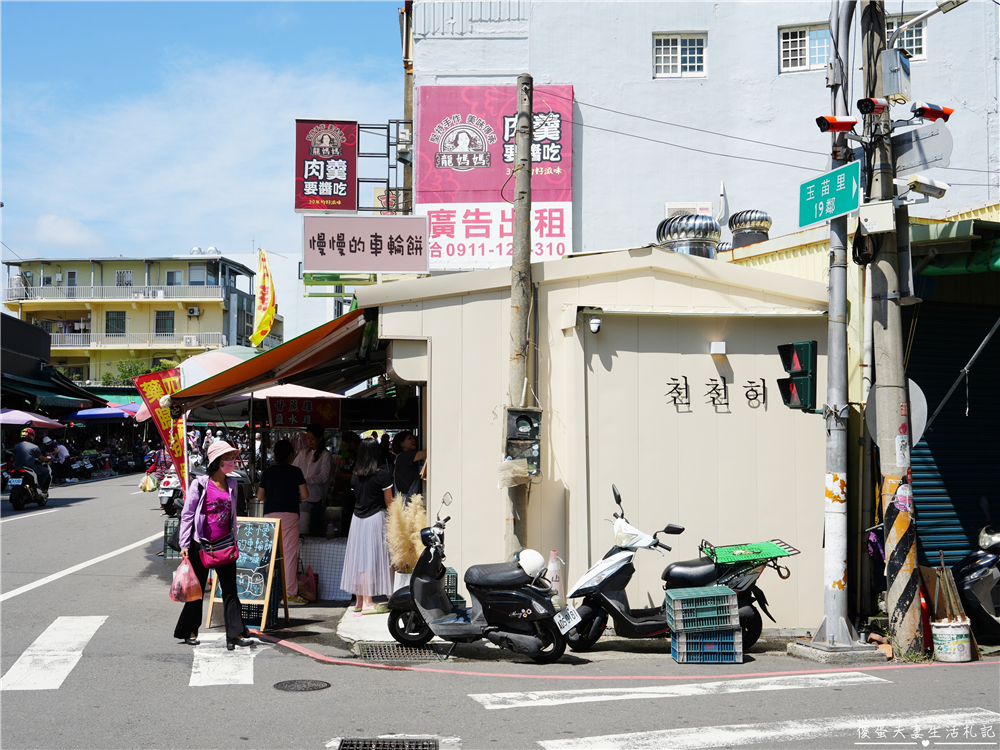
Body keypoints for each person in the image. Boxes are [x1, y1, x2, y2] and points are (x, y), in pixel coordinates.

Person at [174, 440, 253, 650]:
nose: (232, 462)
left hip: (225, 544)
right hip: (201, 545)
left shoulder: (233, 484)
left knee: (230, 590)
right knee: (197, 589)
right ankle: (190, 630)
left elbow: (233, 514)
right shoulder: (200, 484)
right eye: (228, 458)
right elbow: (188, 514)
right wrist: (184, 543)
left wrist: (235, 538)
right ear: (217, 461)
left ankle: (235, 634)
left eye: (232, 458)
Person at [340, 437, 393, 614]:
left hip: (357, 520)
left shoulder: (355, 475)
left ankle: (359, 600)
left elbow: (357, 498)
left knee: (360, 559)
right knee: (371, 560)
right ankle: (369, 602)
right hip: (375, 518)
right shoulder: (382, 473)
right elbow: (389, 502)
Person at [257, 440, 308, 604]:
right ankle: (290, 594)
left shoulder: (268, 472)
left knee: (268, 554)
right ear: (291, 455)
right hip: (290, 514)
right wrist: (293, 497)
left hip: (270, 515)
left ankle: (263, 590)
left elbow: (259, 496)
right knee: (289, 555)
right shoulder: (296, 471)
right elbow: (305, 494)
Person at [292, 423, 332, 536]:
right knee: (299, 531)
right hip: (300, 498)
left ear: (320, 438)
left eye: (313, 438)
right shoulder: (303, 453)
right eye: (308, 438)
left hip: (315, 498)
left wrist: (305, 481)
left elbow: (324, 476)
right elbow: (293, 469)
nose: (310, 441)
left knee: (313, 531)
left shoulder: (325, 455)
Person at [14, 428, 51, 495]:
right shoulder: (34, 447)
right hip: (30, 467)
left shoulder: (16, 446)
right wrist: (47, 458)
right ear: (31, 436)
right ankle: (40, 486)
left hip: (17, 467)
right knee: (46, 471)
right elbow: (42, 458)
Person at [392, 431, 426, 499]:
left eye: (413, 438)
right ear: (402, 444)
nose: (413, 440)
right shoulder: (404, 456)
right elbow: (428, 452)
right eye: (409, 438)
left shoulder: (402, 457)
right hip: (406, 500)